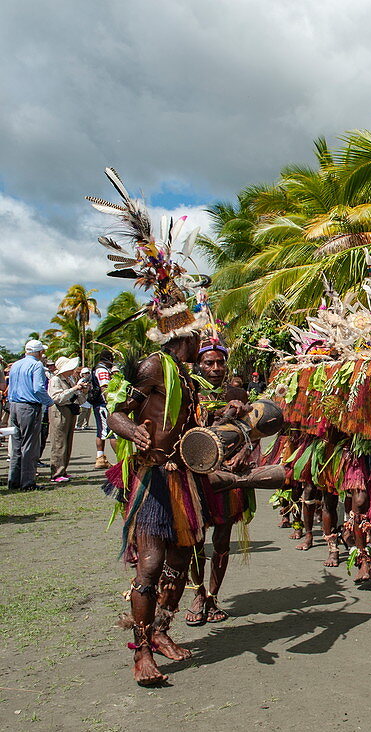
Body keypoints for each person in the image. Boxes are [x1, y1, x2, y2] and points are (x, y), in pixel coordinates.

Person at [87, 166, 213, 685]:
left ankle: (160, 627)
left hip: (180, 474)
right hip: (152, 476)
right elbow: (115, 410)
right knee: (152, 561)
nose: (200, 343)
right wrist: (129, 430)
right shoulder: (154, 367)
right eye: (194, 336)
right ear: (178, 335)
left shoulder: (188, 376)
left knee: (184, 555)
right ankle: (141, 653)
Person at [185, 338, 253, 627]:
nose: (215, 368)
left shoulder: (237, 391)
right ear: (198, 364)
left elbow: (254, 431)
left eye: (220, 362)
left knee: (222, 540)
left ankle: (213, 595)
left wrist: (243, 452)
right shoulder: (189, 390)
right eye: (209, 363)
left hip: (227, 476)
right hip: (196, 475)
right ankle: (197, 592)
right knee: (195, 540)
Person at [6, 340, 53, 491]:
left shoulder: (16, 365)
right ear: (39, 352)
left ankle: (14, 479)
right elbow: (38, 388)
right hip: (29, 406)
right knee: (29, 445)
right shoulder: (36, 365)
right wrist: (49, 402)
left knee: (17, 445)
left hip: (14, 405)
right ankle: (27, 481)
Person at [46, 356, 87, 483]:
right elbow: (56, 398)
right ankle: (56, 473)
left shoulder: (69, 379)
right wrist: (73, 389)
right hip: (59, 411)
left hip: (69, 411)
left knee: (67, 441)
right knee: (59, 442)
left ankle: (63, 470)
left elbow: (80, 398)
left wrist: (81, 390)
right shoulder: (55, 380)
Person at [90, 351, 114, 469]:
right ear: (108, 358)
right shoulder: (102, 370)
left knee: (102, 431)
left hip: (100, 404)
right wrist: (110, 402)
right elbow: (104, 386)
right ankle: (120, 459)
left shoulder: (97, 369)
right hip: (104, 404)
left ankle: (100, 457)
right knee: (111, 433)